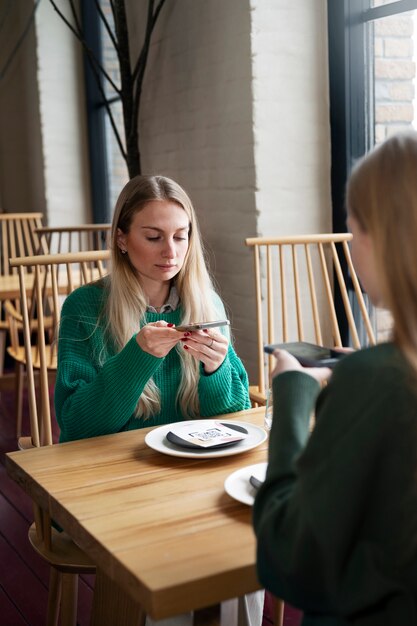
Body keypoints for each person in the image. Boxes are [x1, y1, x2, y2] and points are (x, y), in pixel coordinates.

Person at [253, 131, 417, 625]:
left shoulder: (377, 383)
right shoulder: (381, 374)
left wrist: (292, 393)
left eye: (352, 229)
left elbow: (291, 558)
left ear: (379, 238)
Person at [55, 174, 251, 442]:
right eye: (153, 237)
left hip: (193, 464)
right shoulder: (84, 307)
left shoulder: (208, 303)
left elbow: (235, 418)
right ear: (122, 240)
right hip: (115, 468)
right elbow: (76, 425)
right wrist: (137, 357)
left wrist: (215, 369)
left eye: (180, 237)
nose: (170, 252)